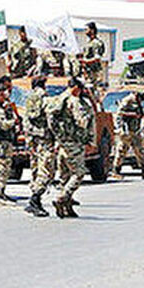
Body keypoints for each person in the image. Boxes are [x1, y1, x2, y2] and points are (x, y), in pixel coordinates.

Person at [45, 78, 94, 217]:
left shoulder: (57, 99)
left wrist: (58, 137)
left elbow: (51, 120)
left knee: (64, 176)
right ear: (76, 88)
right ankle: (62, 198)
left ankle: (67, 208)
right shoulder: (74, 101)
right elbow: (83, 121)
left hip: (61, 143)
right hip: (73, 143)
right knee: (79, 173)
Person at [22, 75, 55, 217]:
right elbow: (51, 118)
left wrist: (29, 139)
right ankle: (34, 200)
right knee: (47, 170)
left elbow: (26, 119)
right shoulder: (45, 98)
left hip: (33, 139)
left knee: (36, 168)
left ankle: (36, 199)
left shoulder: (29, 98)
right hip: (44, 138)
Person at [111, 92, 144, 179]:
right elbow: (120, 114)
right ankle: (116, 170)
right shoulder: (127, 100)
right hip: (127, 131)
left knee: (140, 150)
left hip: (134, 130)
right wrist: (133, 115)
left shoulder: (136, 101)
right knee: (122, 150)